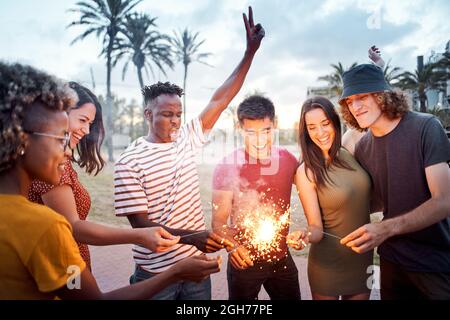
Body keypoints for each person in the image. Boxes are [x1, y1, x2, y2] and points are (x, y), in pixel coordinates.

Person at [0, 62, 221, 299]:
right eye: (59, 137)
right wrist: (174, 272)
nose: (67, 150)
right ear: (21, 139)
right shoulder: (47, 228)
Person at [113, 6, 264, 300]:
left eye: (178, 114)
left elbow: (220, 98)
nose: (174, 120)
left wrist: (250, 53)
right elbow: (141, 225)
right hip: (156, 276)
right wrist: (195, 237)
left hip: (196, 269)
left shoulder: (186, 138)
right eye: (166, 114)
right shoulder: (129, 161)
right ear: (147, 114)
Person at [28, 82, 180, 270]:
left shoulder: (58, 161)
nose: (86, 130)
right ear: (60, 114)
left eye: (90, 124)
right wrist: (139, 236)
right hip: (59, 266)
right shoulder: (49, 164)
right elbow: (73, 227)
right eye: (82, 120)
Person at [339, 61, 450, 299]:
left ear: (381, 95)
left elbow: (444, 200)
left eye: (362, 96)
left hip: (434, 261)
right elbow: (376, 203)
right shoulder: (364, 147)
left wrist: (385, 228)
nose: (355, 106)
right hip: (391, 260)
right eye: (349, 101)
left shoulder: (426, 127)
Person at [212, 95, 301, 300]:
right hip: (244, 262)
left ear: (275, 124)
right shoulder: (227, 166)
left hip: (281, 257)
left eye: (266, 131)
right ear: (239, 128)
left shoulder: (288, 160)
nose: (260, 140)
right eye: (251, 133)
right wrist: (233, 247)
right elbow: (218, 222)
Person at [287, 97, 373, 300]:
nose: (320, 133)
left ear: (335, 121)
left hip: (362, 259)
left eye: (325, 124)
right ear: (305, 131)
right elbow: (316, 228)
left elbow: (371, 117)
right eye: (312, 127)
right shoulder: (306, 171)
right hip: (328, 264)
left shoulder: (348, 148)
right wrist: (305, 236)